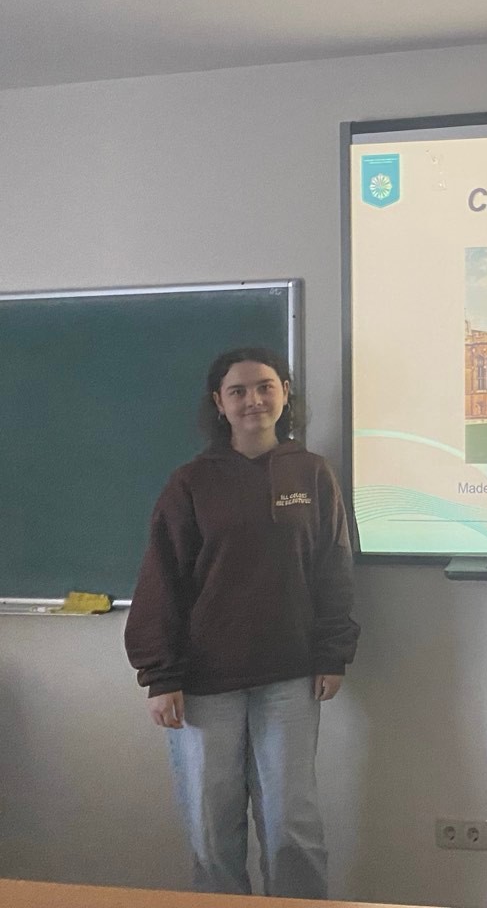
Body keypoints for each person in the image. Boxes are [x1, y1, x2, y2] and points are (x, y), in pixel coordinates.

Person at [125, 347, 358, 899]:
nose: (253, 400)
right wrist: (161, 675)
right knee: (212, 830)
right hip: (203, 684)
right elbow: (162, 580)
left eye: (265, 387)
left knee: (292, 826)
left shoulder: (312, 473)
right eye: (238, 391)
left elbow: (333, 568)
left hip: (290, 676)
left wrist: (333, 653)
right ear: (219, 402)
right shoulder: (190, 483)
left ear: (284, 394)